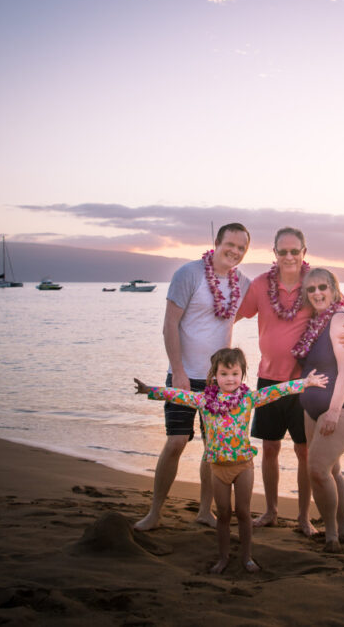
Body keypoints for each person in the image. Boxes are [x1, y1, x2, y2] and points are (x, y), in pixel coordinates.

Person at [134, 348, 327, 573]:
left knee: (243, 513)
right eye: (224, 374)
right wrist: (149, 390)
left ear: (242, 374)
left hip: (243, 466)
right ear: (214, 375)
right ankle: (223, 557)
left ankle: (246, 557)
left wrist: (305, 382)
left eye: (235, 374)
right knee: (224, 514)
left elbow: (277, 391)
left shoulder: (248, 399)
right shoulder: (204, 400)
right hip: (217, 467)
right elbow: (177, 395)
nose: (230, 379)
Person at [236, 227, 344, 535]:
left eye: (294, 251)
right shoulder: (260, 285)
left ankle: (303, 518)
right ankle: (271, 511)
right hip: (269, 379)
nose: (289, 256)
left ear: (303, 252)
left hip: (305, 383)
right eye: (283, 251)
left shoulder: (315, 283)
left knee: (304, 452)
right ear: (274, 253)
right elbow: (234, 315)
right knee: (269, 448)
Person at [134, 223, 251, 532]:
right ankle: (154, 512)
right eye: (230, 244)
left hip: (219, 382)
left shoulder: (243, 283)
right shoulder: (189, 274)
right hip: (184, 375)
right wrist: (178, 371)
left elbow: (252, 309)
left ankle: (204, 511)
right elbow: (169, 324)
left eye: (241, 248)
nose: (235, 251)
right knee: (176, 442)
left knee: (213, 449)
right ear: (217, 242)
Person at [295, 268, 344, 552]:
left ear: (335, 290)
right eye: (311, 289)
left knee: (317, 469)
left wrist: (334, 411)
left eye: (322, 287)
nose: (317, 293)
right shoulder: (316, 321)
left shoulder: (339, 319)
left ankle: (332, 534)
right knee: (332, 469)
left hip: (342, 405)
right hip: (312, 407)